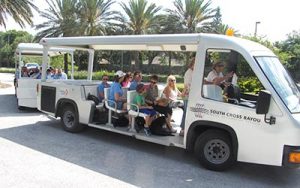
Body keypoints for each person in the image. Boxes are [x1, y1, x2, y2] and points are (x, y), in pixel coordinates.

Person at [180, 57, 195, 136]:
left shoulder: (193, 72)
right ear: (192, 63)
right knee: (186, 113)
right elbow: (187, 85)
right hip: (187, 96)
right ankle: (182, 129)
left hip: (191, 96)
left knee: (188, 113)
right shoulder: (189, 72)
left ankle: (185, 129)